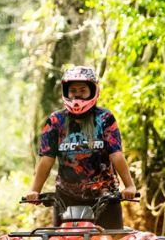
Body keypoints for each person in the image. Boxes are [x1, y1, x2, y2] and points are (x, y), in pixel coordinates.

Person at [26, 65, 137, 229]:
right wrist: (35, 190)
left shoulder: (104, 118)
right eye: (73, 90)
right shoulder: (56, 121)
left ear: (93, 91)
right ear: (65, 92)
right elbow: (46, 159)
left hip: (105, 198)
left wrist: (129, 186)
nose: (77, 95)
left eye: (83, 90)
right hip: (66, 201)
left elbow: (116, 154)